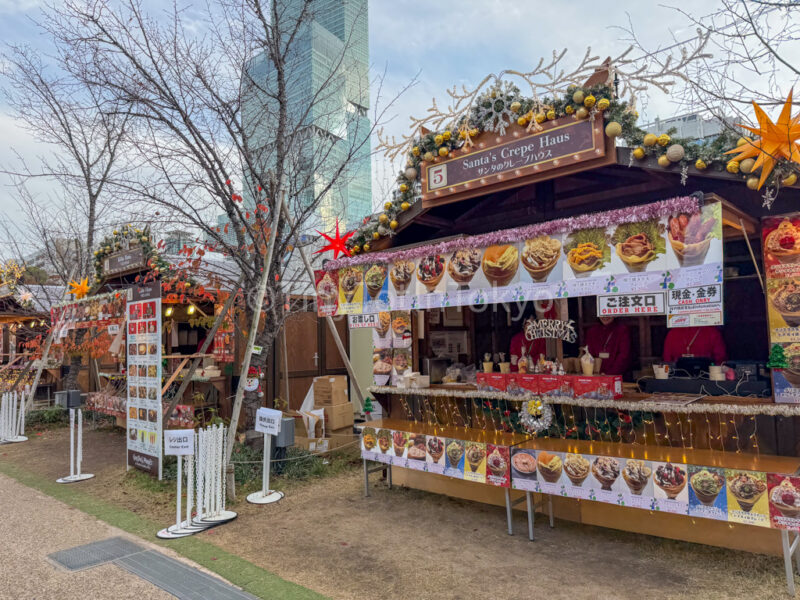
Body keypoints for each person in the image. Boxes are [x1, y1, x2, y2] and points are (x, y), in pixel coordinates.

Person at [509, 301, 557, 371]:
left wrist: (532, 361)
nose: (530, 326)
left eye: (533, 323)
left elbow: (542, 358)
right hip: (519, 370)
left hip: (536, 370)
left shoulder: (540, 338)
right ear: (523, 324)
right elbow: (513, 360)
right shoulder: (515, 339)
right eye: (528, 323)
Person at [662, 326, 727, 364]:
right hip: (707, 379)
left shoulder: (712, 332)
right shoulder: (672, 333)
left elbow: (667, 363)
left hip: (677, 379)